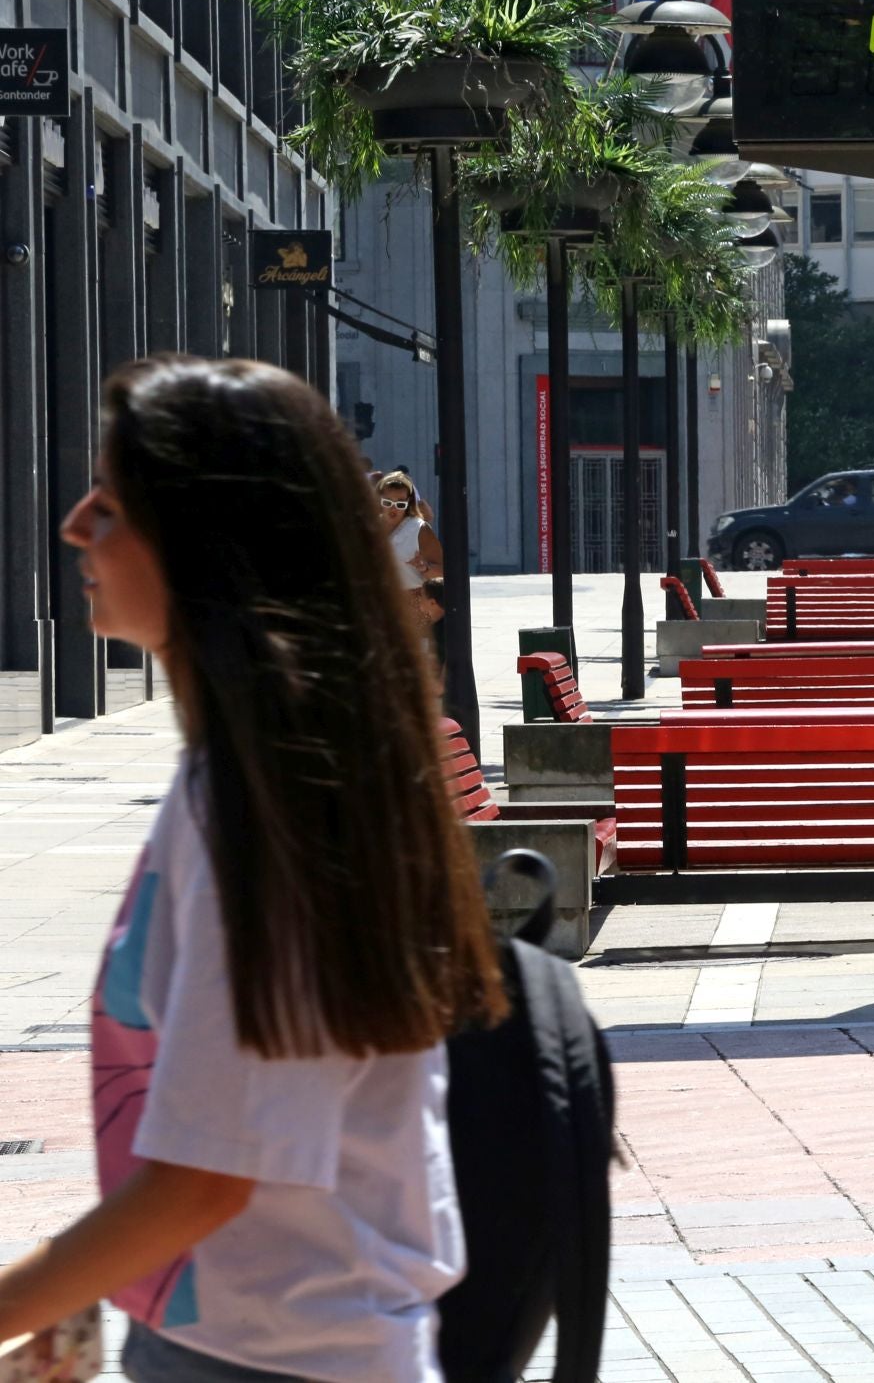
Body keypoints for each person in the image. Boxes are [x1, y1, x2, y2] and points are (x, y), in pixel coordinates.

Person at [0, 358, 506, 1379]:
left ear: (209, 537)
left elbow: (205, 1181)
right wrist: (100, 1286)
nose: (77, 524)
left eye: (116, 499)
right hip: (242, 1338)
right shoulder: (253, 773)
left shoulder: (270, 803)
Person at [376, 470, 443, 618]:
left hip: (413, 606)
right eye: (387, 502)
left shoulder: (419, 529)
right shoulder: (369, 526)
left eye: (400, 504)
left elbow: (442, 573)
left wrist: (424, 568)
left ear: (409, 503)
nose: (393, 508)